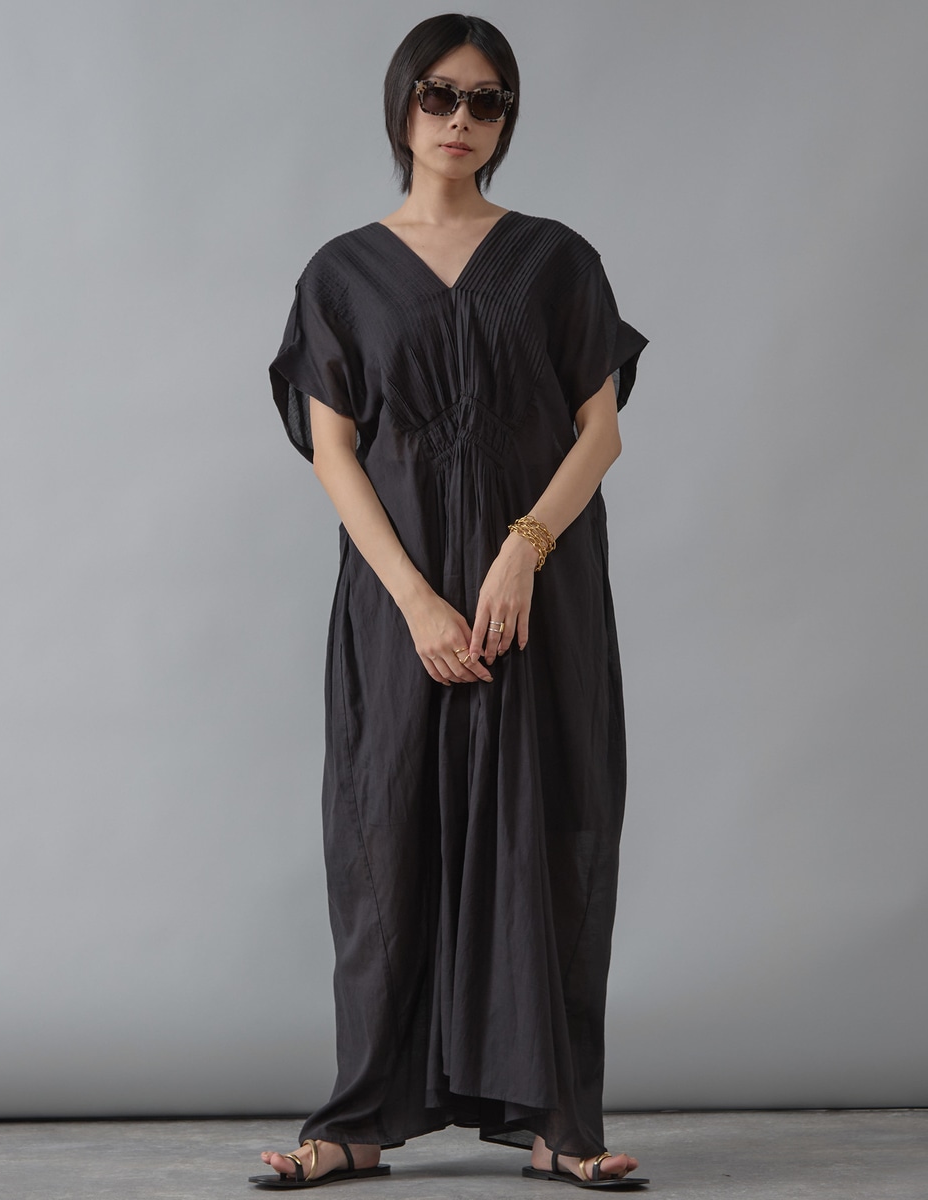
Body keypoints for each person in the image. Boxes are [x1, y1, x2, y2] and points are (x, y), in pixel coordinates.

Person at [255, 12, 648, 1191]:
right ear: (402, 104)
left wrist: (526, 547)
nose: (461, 120)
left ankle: (561, 1124)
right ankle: (358, 1124)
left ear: (506, 118)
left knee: (550, 833)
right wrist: (420, 604)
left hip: (540, 599)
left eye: (486, 100)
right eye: (439, 95)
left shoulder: (558, 260)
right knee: (385, 838)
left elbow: (599, 431)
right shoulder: (341, 273)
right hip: (400, 598)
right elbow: (334, 453)